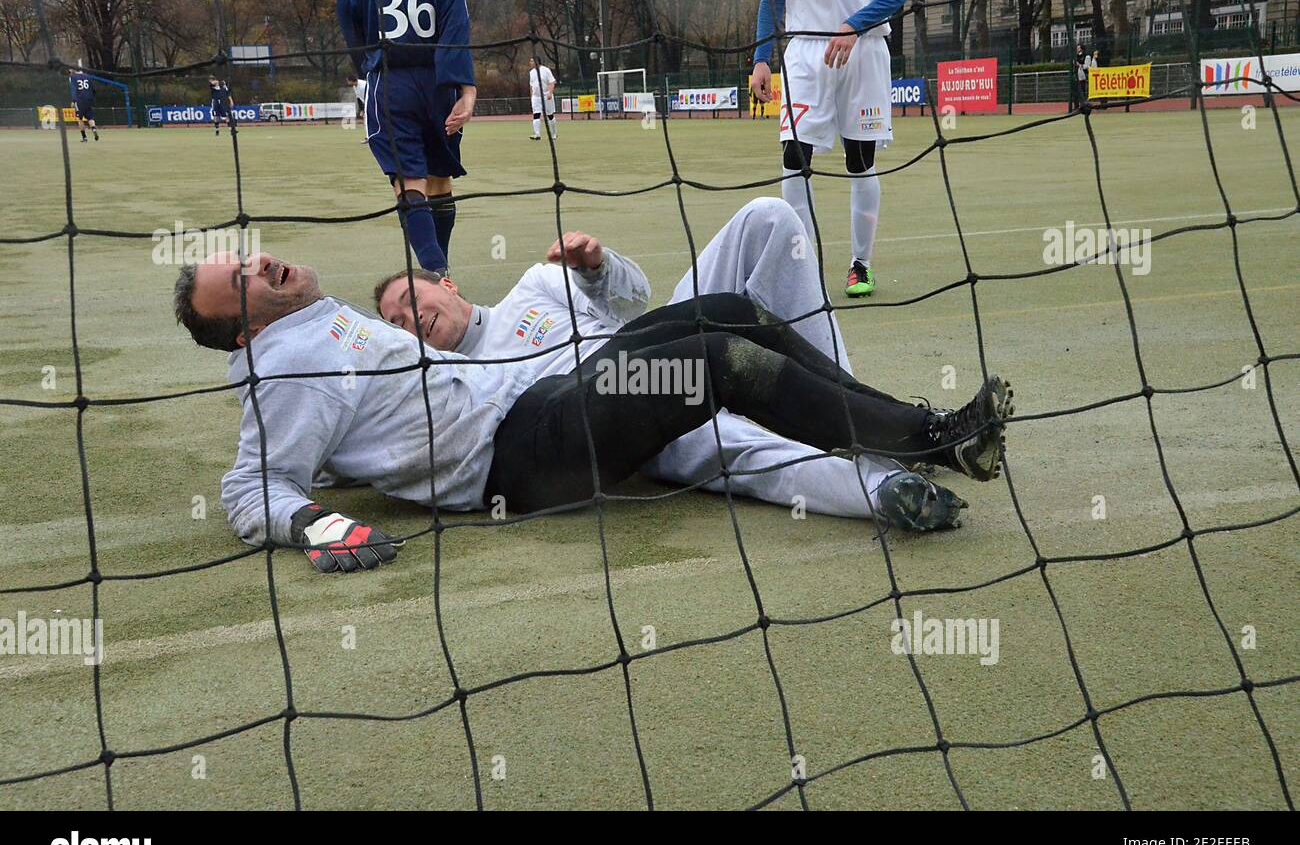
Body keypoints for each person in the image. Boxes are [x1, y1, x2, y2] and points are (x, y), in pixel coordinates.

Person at [172, 248, 1013, 571]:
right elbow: (252, 487)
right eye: (242, 279)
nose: (264, 263)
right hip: (522, 454)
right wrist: (322, 528)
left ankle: (925, 429)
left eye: (248, 255)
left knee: (729, 307)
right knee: (719, 364)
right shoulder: (282, 367)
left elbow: (333, 434)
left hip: (533, 398)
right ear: (243, 333)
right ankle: (935, 444)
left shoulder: (312, 330)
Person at [372, 197, 1012, 529]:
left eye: (410, 298)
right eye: (397, 324)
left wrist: (600, 266)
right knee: (737, 438)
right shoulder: (454, 384)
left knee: (770, 220)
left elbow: (636, 298)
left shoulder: (534, 285)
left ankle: (863, 419)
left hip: (651, 334)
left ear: (446, 285)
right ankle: (883, 481)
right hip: (630, 417)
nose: (410, 318)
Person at [749, 0, 911, 299]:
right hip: (805, 52)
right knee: (794, 158)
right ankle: (801, 269)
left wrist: (854, 25)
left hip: (863, 48)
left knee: (860, 161)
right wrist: (761, 58)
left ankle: (860, 264)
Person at [337, 0, 477, 276]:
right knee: (440, 181)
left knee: (410, 184)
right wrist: (467, 91)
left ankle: (435, 274)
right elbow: (456, 28)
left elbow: (349, 20)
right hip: (440, 83)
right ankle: (442, 275)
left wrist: (368, 65)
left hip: (391, 80)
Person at [528, 57, 558, 141]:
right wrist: (532, 96)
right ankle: (537, 134)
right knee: (536, 114)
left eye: (531, 61)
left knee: (550, 115)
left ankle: (554, 134)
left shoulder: (546, 70)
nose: (530, 63)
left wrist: (550, 93)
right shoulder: (531, 72)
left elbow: (552, 82)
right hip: (536, 97)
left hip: (546, 96)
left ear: (537, 61)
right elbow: (531, 85)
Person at [67, 68, 98, 143]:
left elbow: (74, 90)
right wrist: (92, 97)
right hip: (88, 99)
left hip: (79, 100)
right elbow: (93, 89)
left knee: (80, 119)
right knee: (90, 117)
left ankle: (84, 137)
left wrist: (73, 100)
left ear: (74, 70)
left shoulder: (73, 77)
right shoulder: (88, 76)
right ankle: (94, 129)